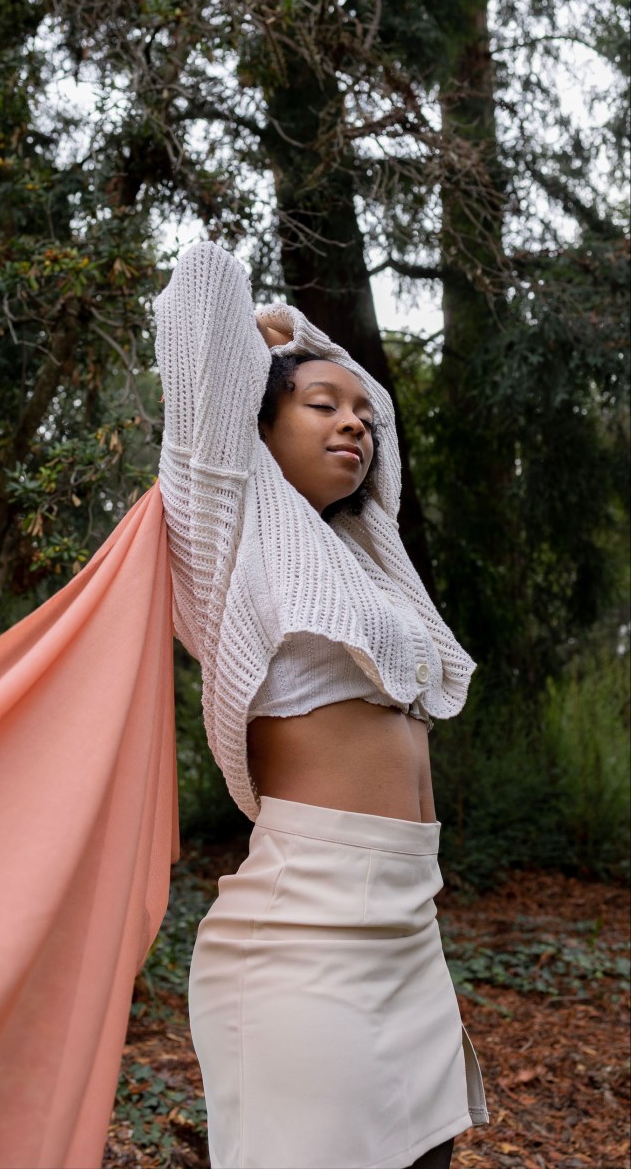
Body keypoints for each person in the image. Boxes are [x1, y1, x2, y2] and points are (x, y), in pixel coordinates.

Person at [154, 240, 489, 1169]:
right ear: (255, 424)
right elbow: (199, 292)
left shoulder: (373, 562)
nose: (356, 424)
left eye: (363, 417)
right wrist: (280, 337)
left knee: (429, 1158)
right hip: (306, 933)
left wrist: (320, 372)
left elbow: (377, 417)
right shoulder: (230, 527)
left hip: (408, 927)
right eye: (321, 406)